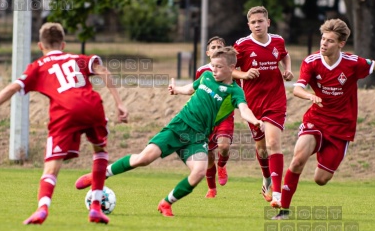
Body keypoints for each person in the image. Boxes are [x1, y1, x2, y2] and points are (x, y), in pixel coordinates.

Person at [0, 22, 128, 225]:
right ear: (63, 44)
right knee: (100, 152)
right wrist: (119, 103)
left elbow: (11, 89)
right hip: (92, 105)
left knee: (51, 167)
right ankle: (96, 208)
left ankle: (42, 208)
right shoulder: (76, 58)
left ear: (40, 46)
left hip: (64, 111)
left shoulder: (37, 66)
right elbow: (103, 71)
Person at [75, 47, 263, 217]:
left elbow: (244, 109)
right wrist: (176, 89)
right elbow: (191, 88)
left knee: (198, 172)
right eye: (212, 66)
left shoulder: (234, 91)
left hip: (197, 137)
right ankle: (99, 175)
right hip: (178, 126)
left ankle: (166, 203)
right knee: (144, 159)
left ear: (232, 67)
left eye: (219, 67)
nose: (213, 70)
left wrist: (255, 120)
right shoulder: (206, 77)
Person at [273, 18, 375, 219]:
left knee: (320, 179)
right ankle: (283, 210)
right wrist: (310, 96)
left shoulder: (352, 63)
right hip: (316, 118)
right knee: (298, 160)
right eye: (323, 39)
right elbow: (298, 89)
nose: (324, 43)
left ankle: (326, 154)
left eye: (330, 41)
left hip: (342, 126)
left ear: (341, 44)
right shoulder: (311, 62)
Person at [232, 6, 293, 205]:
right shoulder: (241, 45)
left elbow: (284, 55)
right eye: (253, 22)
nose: (257, 25)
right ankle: (266, 176)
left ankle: (277, 194)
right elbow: (228, 69)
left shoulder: (278, 41)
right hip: (252, 103)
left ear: (268, 22)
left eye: (260, 21)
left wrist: (288, 70)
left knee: (273, 143)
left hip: (275, 99)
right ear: (248, 25)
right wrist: (244, 74)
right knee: (261, 147)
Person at [195, 36, 234, 198]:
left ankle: (222, 166)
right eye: (213, 47)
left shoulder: (231, 69)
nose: (216, 49)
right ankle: (212, 188)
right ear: (208, 52)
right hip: (207, 118)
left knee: (224, 147)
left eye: (220, 46)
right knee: (209, 156)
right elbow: (197, 91)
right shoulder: (202, 71)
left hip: (224, 115)